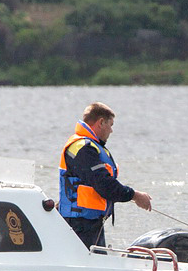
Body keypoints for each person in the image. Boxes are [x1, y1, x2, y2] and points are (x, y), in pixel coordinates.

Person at [58, 102, 152, 249]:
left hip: (89, 222)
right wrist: (135, 195)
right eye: (111, 125)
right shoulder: (83, 148)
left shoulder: (91, 146)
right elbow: (105, 185)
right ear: (101, 122)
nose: (111, 131)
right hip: (79, 224)